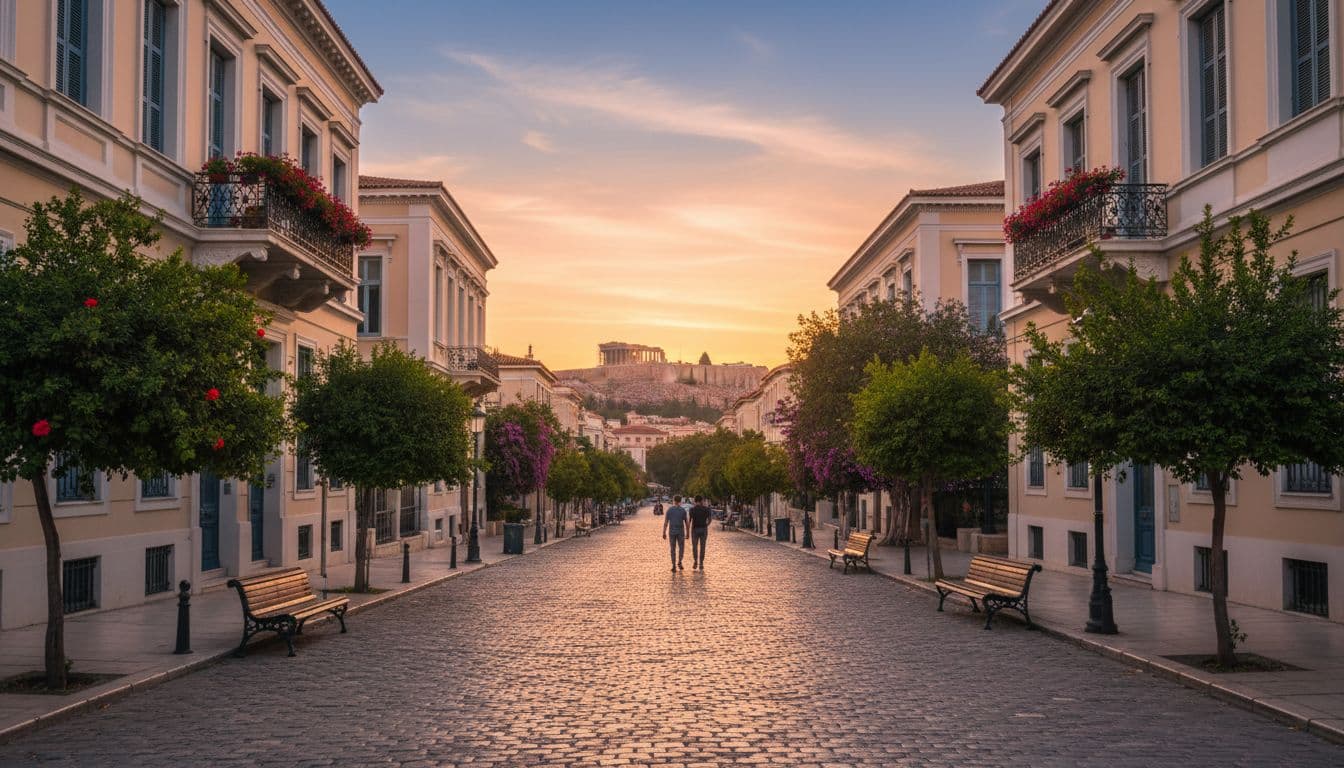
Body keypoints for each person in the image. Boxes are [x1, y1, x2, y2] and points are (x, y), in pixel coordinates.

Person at [662, 495, 689, 572]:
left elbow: (666, 522)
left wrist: (664, 532)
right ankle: (679, 562)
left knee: (672, 549)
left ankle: (673, 565)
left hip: (672, 532)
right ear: (680, 501)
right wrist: (687, 533)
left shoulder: (669, 510)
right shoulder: (683, 510)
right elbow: (686, 523)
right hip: (680, 532)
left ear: (674, 500)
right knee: (681, 548)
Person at [688, 495, 713, 570]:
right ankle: (701, 563)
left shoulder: (692, 509)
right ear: (701, 501)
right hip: (703, 529)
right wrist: (706, 525)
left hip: (695, 529)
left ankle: (695, 561)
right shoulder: (707, 509)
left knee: (694, 547)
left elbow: (689, 521)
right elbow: (710, 520)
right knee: (702, 547)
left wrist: (687, 531)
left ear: (695, 501)